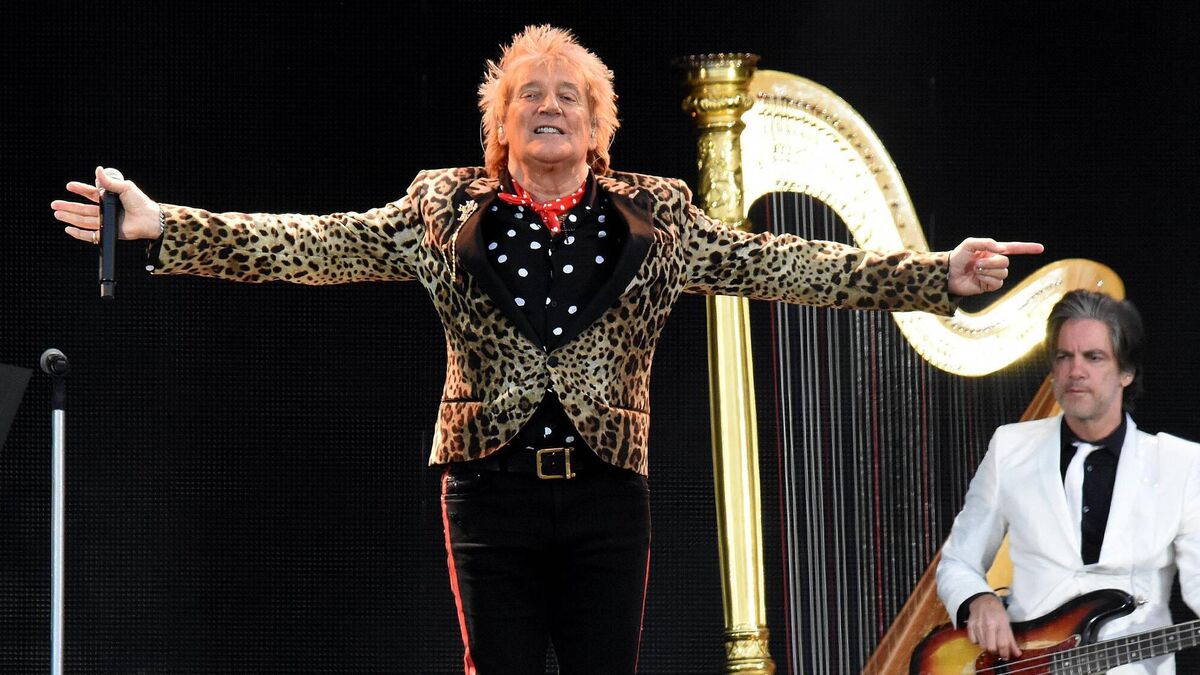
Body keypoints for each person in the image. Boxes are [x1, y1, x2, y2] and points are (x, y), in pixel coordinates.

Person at [52, 24, 1042, 675]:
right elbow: (316, 245)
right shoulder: (443, 208)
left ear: (599, 121)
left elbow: (778, 263)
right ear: (502, 120)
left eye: (570, 93)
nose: (550, 105)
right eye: (530, 94)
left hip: (610, 493)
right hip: (489, 491)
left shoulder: (660, 213)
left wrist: (928, 275)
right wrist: (163, 227)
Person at [936, 289, 1200, 674]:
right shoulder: (1010, 447)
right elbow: (959, 561)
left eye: (1093, 357)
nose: (1076, 371)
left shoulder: (1181, 462)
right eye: (1064, 357)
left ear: (1126, 372)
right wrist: (978, 600)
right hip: (1024, 665)